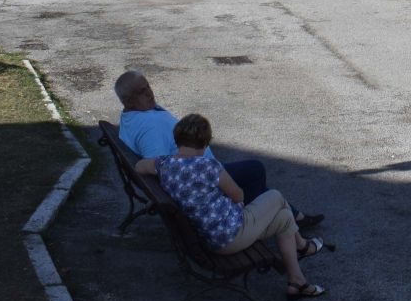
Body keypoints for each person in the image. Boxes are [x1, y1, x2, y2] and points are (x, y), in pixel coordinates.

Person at [139, 112, 326, 299]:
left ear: (177, 140)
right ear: (205, 143)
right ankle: (302, 246)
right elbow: (238, 195)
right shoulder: (210, 166)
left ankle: (296, 282)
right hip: (230, 235)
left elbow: (139, 166)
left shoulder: (164, 164)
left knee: (284, 218)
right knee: (276, 197)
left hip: (209, 236)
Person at [113, 71, 321, 230]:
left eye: (148, 86)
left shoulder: (134, 116)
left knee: (253, 173)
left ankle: (283, 215)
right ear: (129, 101)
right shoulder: (149, 126)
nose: (150, 93)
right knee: (254, 172)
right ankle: (273, 217)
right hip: (199, 177)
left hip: (200, 168)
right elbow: (161, 165)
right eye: (142, 91)